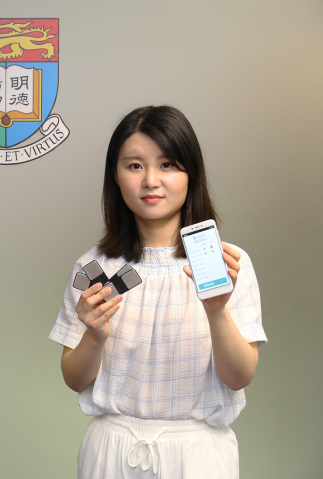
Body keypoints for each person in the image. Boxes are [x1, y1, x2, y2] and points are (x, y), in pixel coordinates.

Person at [50, 106, 266, 479]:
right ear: (115, 177)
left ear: (191, 174)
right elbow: (75, 379)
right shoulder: (95, 268)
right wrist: (95, 335)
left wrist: (216, 311)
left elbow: (239, 376)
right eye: (134, 166)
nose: (151, 180)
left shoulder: (226, 263)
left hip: (198, 453)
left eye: (167, 164)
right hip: (111, 448)